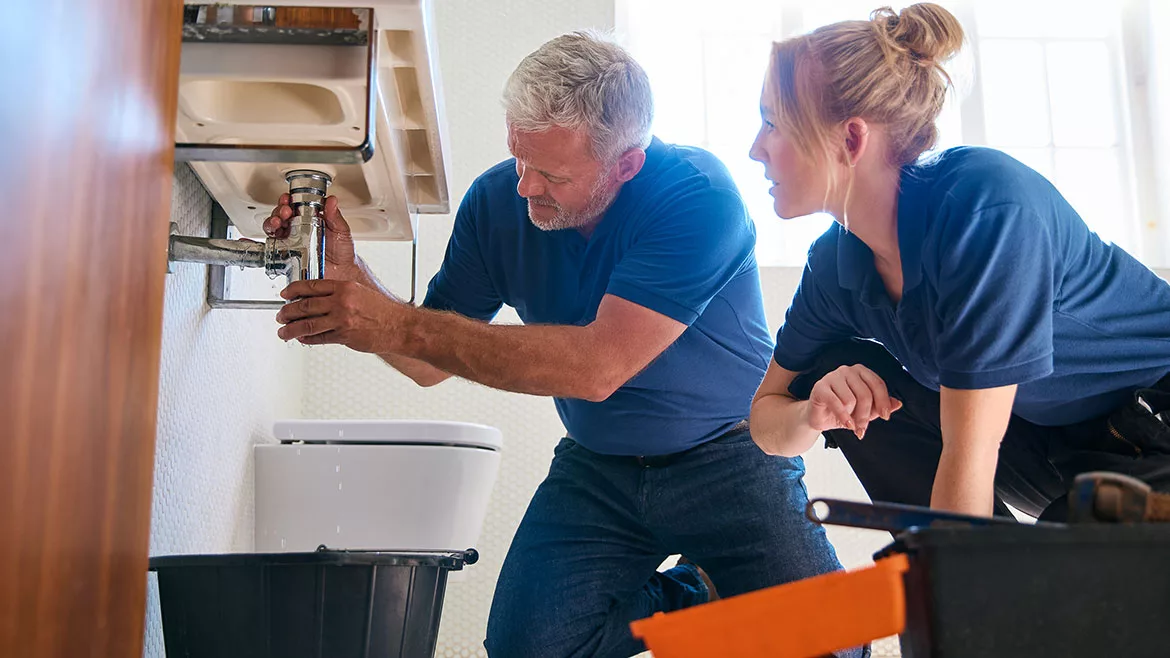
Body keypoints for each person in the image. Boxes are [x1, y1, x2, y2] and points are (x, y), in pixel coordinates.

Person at [266, 32, 857, 658]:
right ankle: (698, 594)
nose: (525, 187)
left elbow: (598, 368)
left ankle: (725, 595)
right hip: (599, 467)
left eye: (551, 173)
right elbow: (423, 359)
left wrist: (393, 323)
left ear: (626, 164)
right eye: (520, 159)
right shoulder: (498, 203)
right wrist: (352, 283)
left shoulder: (697, 197)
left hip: (730, 458)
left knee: (834, 648)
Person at [748, 3, 1170, 521]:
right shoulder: (834, 265)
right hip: (1053, 446)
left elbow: (969, 459)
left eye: (773, 123)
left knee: (1066, 553)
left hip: (1152, 423)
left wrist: (963, 582)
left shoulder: (987, 210)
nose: (755, 150)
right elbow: (765, 417)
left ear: (851, 139)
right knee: (831, 370)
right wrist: (813, 412)